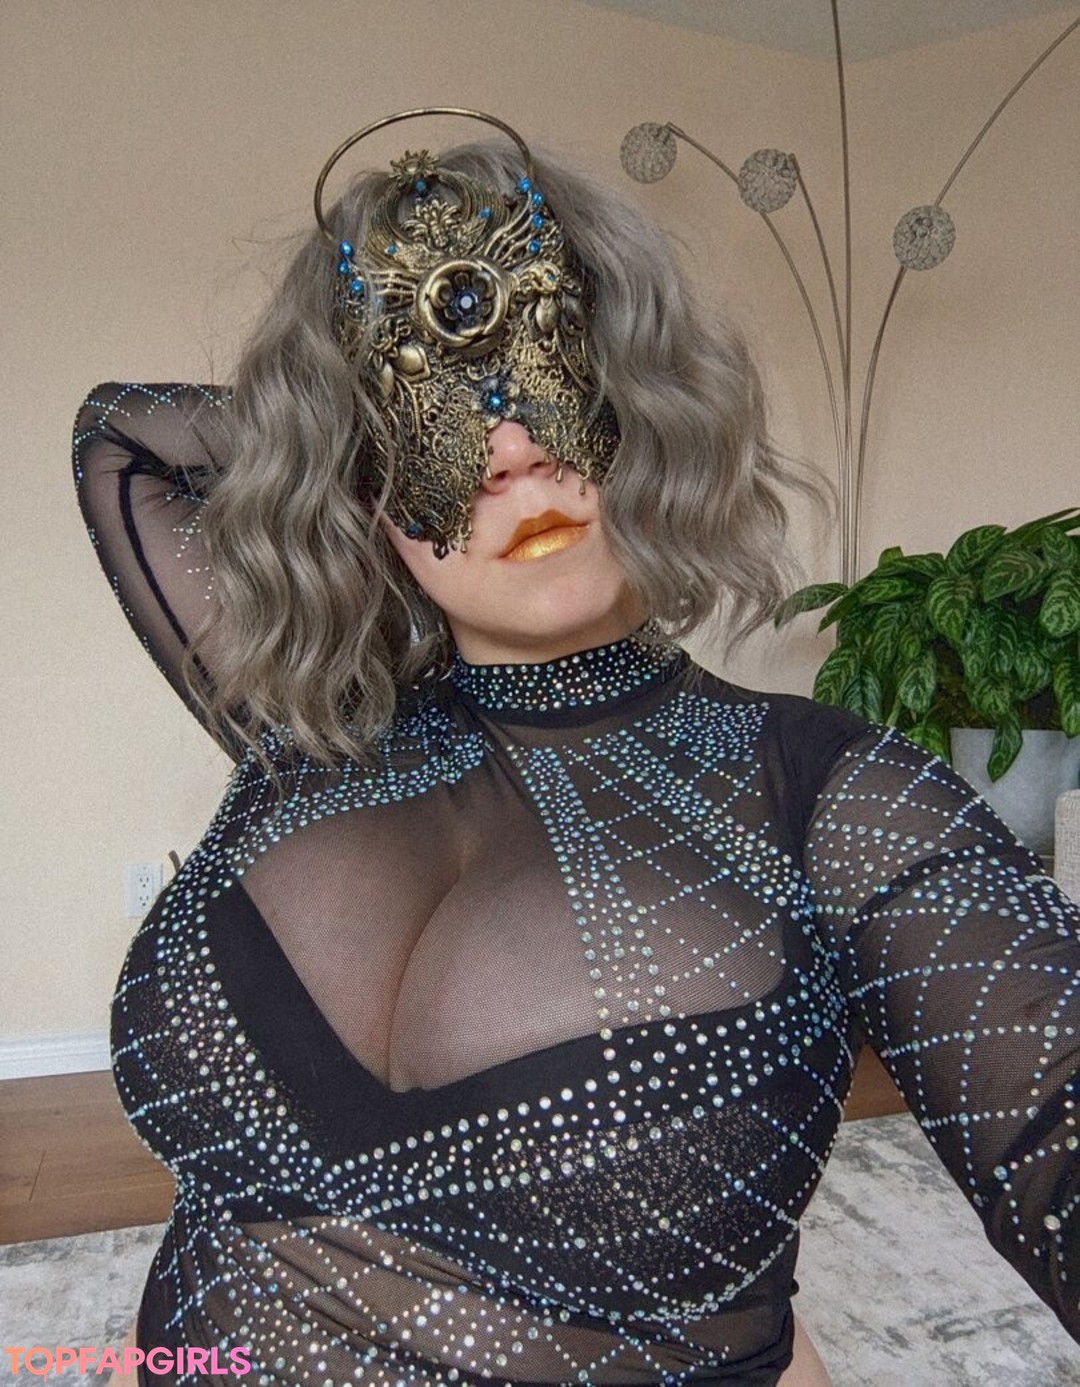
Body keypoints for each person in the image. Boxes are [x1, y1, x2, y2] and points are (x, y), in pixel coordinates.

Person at [74, 109, 1078, 1387]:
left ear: (647, 402)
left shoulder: (824, 796)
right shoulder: (312, 726)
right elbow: (124, 437)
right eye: (420, 407)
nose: (509, 449)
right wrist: (329, 442)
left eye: (553, 361)